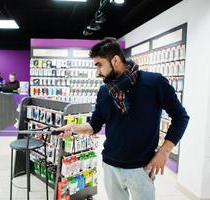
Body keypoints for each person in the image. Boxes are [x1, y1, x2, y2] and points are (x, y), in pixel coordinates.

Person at [55, 38, 189, 200]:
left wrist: (164, 152)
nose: (97, 72)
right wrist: (73, 128)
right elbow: (94, 126)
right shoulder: (104, 92)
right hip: (110, 166)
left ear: (116, 60)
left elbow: (181, 117)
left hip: (142, 167)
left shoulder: (154, 83)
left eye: (99, 64)